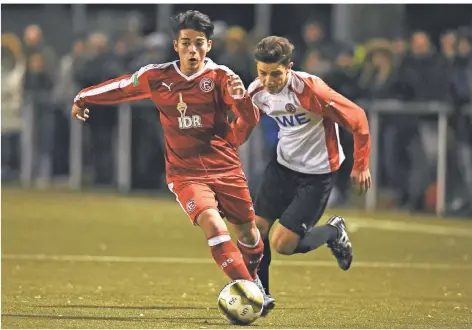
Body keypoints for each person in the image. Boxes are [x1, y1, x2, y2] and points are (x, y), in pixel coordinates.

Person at [71, 10, 265, 290]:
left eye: (199, 43)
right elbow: (122, 87)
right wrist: (83, 97)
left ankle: (253, 278)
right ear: (176, 45)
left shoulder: (223, 78)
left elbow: (250, 119)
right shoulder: (157, 76)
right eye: (186, 42)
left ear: (208, 46)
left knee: (249, 236)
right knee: (213, 224)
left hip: (226, 169)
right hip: (186, 173)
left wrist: (242, 101)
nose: (192, 50)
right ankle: (250, 290)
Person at [233, 36, 372, 315]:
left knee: (283, 245)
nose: (268, 80)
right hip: (282, 167)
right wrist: (224, 147)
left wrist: (361, 165)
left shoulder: (312, 90)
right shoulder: (257, 90)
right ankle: (262, 296)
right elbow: (245, 124)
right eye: (262, 72)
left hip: (317, 173)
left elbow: (357, 118)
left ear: (289, 68)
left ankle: (333, 231)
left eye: (275, 73)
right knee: (255, 231)